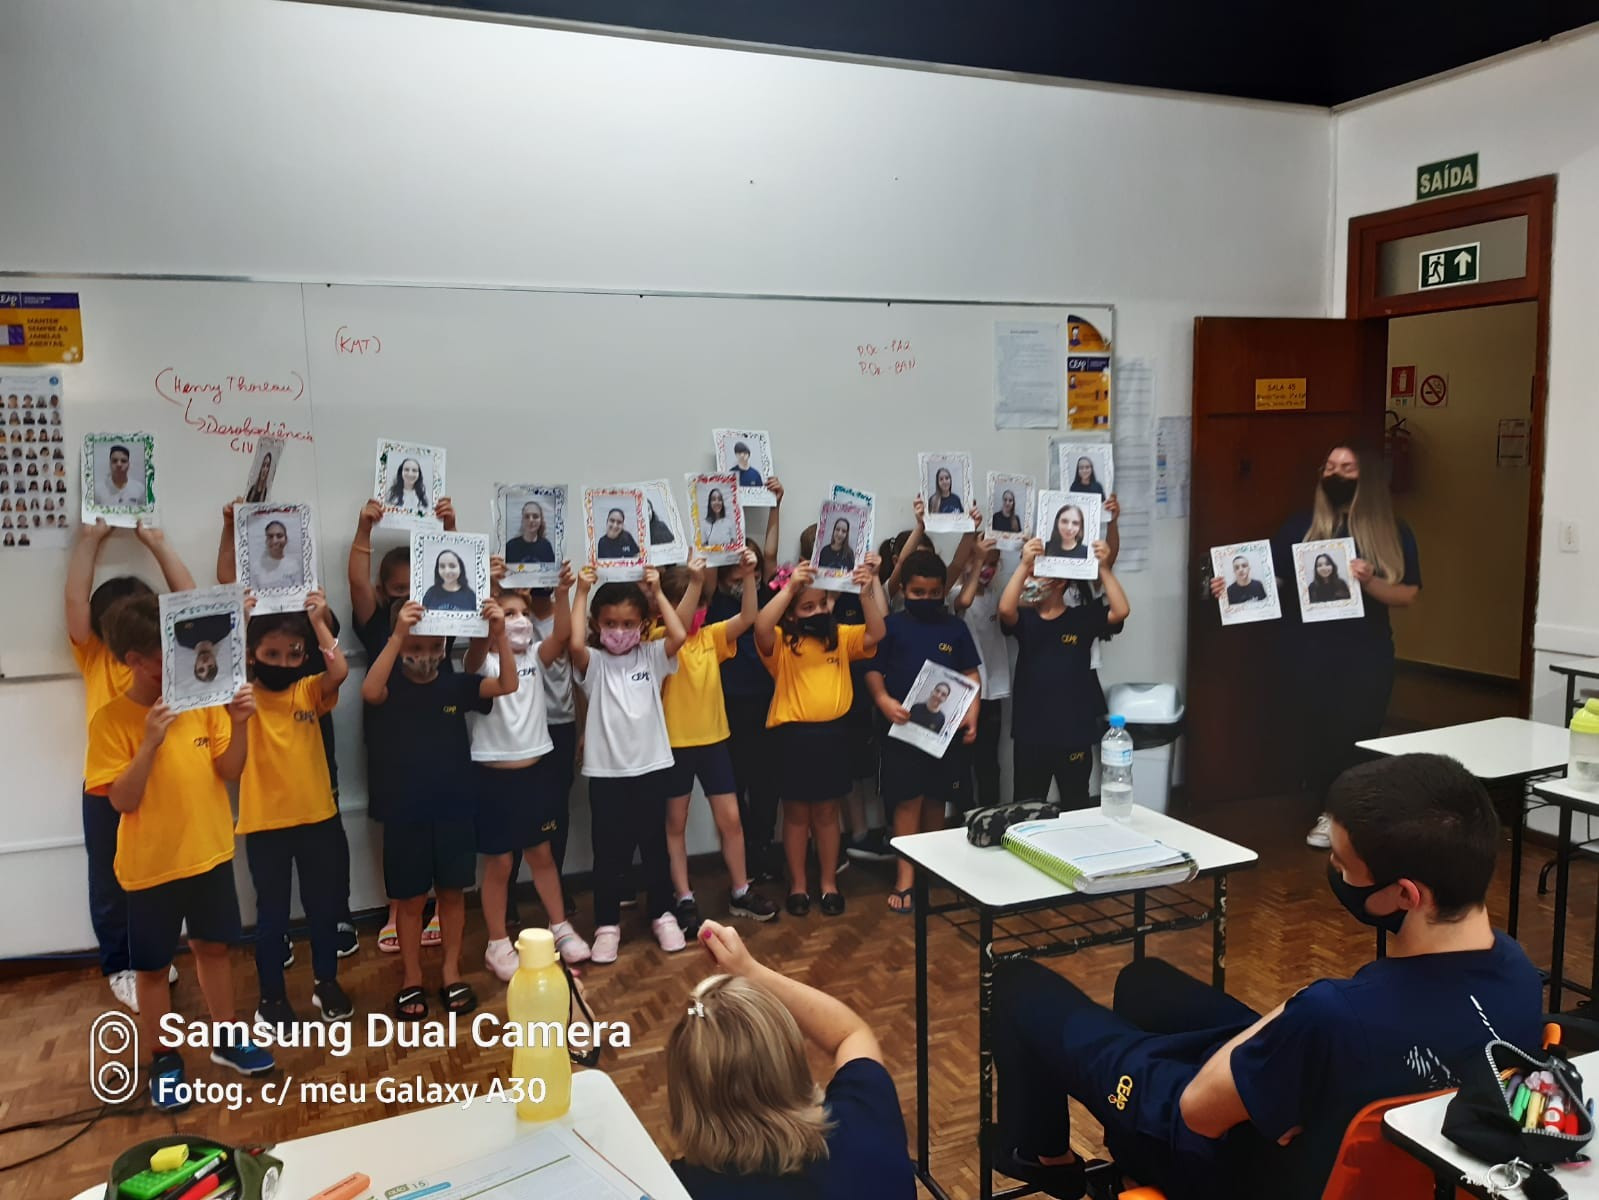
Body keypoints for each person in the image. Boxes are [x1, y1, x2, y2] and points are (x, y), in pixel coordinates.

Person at [992, 753, 1541, 1200]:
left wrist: (1303, 1003)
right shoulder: (1518, 974)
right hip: (1356, 1158)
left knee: (1020, 986)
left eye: (1343, 865)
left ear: (1404, 895)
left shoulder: (1333, 1013)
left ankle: (1049, 1159)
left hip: (1223, 1164)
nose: (1334, 871)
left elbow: (1198, 1111)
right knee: (1145, 983)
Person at [83, 596, 272, 1109]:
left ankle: (227, 1039)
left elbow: (230, 770)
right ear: (134, 661)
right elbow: (121, 801)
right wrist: (148, 742)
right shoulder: (110, 721)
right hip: (150, 870)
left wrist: (240, 722)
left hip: (209, 855)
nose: (176, 661)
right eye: (162, 654)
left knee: (214, 950)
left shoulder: (202, 702)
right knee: (151, 969)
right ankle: (164, 1059)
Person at [1211, 444, 1421, 850]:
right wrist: (1229, 588)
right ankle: (1331, 809)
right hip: (1307, 653)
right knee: (1319, 735)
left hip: (1365, 655)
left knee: (1358, 734)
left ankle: (1349, 815)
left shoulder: (1393, 531)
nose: (1335, 473)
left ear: (1366, 477)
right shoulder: (1300, 526)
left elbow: (1407, 594)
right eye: (1329, 466)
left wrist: (1369, 582)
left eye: (1347, 467)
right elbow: (1271, 580)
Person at [668, 920, 916, 1199]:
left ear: (686, 1094)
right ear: (789, 1058)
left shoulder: (681, 1187)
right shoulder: (866, 1113)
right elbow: (850, 1033)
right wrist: (749, 970)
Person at [363, 597, 517, 1019]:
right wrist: (397, 635)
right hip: (404, 813)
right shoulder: (389, 684)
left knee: (451, 894)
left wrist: (499, 635)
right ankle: (411, 976)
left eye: (434, 647)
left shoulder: (455, 685)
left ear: (445, 645)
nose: (425, 656)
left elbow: (507, 685)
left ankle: (451, 971)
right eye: (415, 647)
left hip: (454, 808)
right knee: (410, 901)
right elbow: (369, 691)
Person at [65, 519, 196, 1011]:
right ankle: (121, 964)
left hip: (165, 778)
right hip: (108, 782)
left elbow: (193, 604)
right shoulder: (95, 655)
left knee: (164, 872)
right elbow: (75, 604)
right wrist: (89, 542)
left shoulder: (169, 656)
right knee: (110, 878)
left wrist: (158, 543)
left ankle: (154, 956)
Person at [465, 573, 592, 979]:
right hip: (493, 779)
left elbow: (562, 635)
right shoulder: (482, 662)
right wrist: (493, 630)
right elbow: (485, 664)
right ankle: (497, 943)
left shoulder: (537, 655)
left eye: (522, 613)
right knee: (500, 864)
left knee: (542, 855)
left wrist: (563, 592)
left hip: (536, 772)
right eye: (508, 614)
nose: (519, 620)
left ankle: (560, 927)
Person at [239, 591, 353, 1027]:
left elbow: (338, 670)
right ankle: (271, 998)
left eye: (293, 654)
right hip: (264, 826)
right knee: (272, 917)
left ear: (305, 657)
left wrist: (320, 621)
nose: (283, 662)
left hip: (317, 820)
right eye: (271, 654)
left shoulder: (307, 690)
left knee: (322, 909)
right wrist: (239, 622)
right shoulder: (241, 698)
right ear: (252, 655)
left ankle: (327, 983)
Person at [348, 495, 457, 953]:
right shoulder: (377, 624)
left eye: (416, 587)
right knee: (396, 828)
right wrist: (363, 529)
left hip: (442, 738)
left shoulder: (444, 616)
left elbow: (460, 572)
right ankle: (398, 907)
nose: (409, 598)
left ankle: (439, 904)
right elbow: (356, 581)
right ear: (383, 592)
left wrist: (450, 529)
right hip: (390, 740)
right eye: (398, 589)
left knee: (443, 824)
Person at [755, 556, 886, 918]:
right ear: (792, 613)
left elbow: (877, 632)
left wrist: (865, 591)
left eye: (822, 604)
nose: (817, 611)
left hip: (833, 736)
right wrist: (791, 589)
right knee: (796, 815)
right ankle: (798, 884)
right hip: (793, 738)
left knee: (828, 813)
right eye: (807, 607)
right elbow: (761, 625)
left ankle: (829, 882)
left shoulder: (840, 638)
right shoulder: (782, 643)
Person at [570, 564, 688, 961]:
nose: (618, 631)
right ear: (597, 624)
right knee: (608, 852)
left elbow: (679, 635)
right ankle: (607, 925)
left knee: (654, 847)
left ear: (643, 625)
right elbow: (574, 644)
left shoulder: (652, 656)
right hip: (607, 773)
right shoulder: (594, 662)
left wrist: (658, 593)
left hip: (651, 768)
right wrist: (581, 592)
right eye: (610, 624)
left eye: (627, 624)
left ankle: (663, 914)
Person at [659, 553, 779, 933]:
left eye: (700, 604)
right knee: (675, 824)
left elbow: (748, 617)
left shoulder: (710, 637)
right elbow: (678, 629)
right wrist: (694, 584)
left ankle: (741, 890)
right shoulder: (659, 640)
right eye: (687, 604)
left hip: (714, 742)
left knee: (731, 820)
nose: (696, 612)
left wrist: (749, 576)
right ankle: (684, 897)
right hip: (675, 746)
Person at [866, 548, 980, 913]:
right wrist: (883, 699)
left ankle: (931, 868)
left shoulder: (955, 628)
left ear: (944, 590)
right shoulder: (892, 626)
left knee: (936, 800)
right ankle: (906, 877)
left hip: (944, 734)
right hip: (902, 731)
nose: (927, 599)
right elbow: (872, 669)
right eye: (918, 592)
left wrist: (972, 712)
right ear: (903, 590)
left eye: (934, 593)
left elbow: (970, 674)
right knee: (906, 802)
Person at [1001, 535, 1129, 808]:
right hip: (1031, 733)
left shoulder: (1081, 618)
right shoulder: (1026, 620)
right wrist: (1024, 565)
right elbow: (1005, 609)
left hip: (1074, 732)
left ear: (1059, 582)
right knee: (1027, 805)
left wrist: (1104, 568)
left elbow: (1120, 611)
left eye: (1036, 574)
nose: (1029, 581)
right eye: (1029, 574)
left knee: (1076, 802)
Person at [708, 480, 786, 882]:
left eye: (751, 564)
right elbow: (707, 568)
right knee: (734, 784)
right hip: (727, 703)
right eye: (739, 563)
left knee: (767, 782)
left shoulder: (765, 594)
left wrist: (775, 505)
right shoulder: (715, 600)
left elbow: (770, 554)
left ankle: (762, 846)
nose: (746, 568)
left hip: (767, 700)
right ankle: (742, 856)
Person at [252, 519, 302, 590]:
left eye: (279, 536)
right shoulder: (256, 567)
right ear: (266, 540)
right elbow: (252, 593)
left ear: (286, 539)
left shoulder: (293, 565)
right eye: (270, 536)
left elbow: (299, 592)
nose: (275, 541)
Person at [505, 499, 556, 564]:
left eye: (535, 516)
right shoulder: (510, 547)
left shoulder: (546, 546)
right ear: (522, 520)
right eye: (527, 516)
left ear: (541, 520)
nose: (531, 520)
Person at [95, 442, 144, 509]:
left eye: (123, 461)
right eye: (114, 461)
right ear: (110, 464)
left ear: (128, 464)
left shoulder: (140, 489)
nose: (119, 464)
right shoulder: (97, 490)